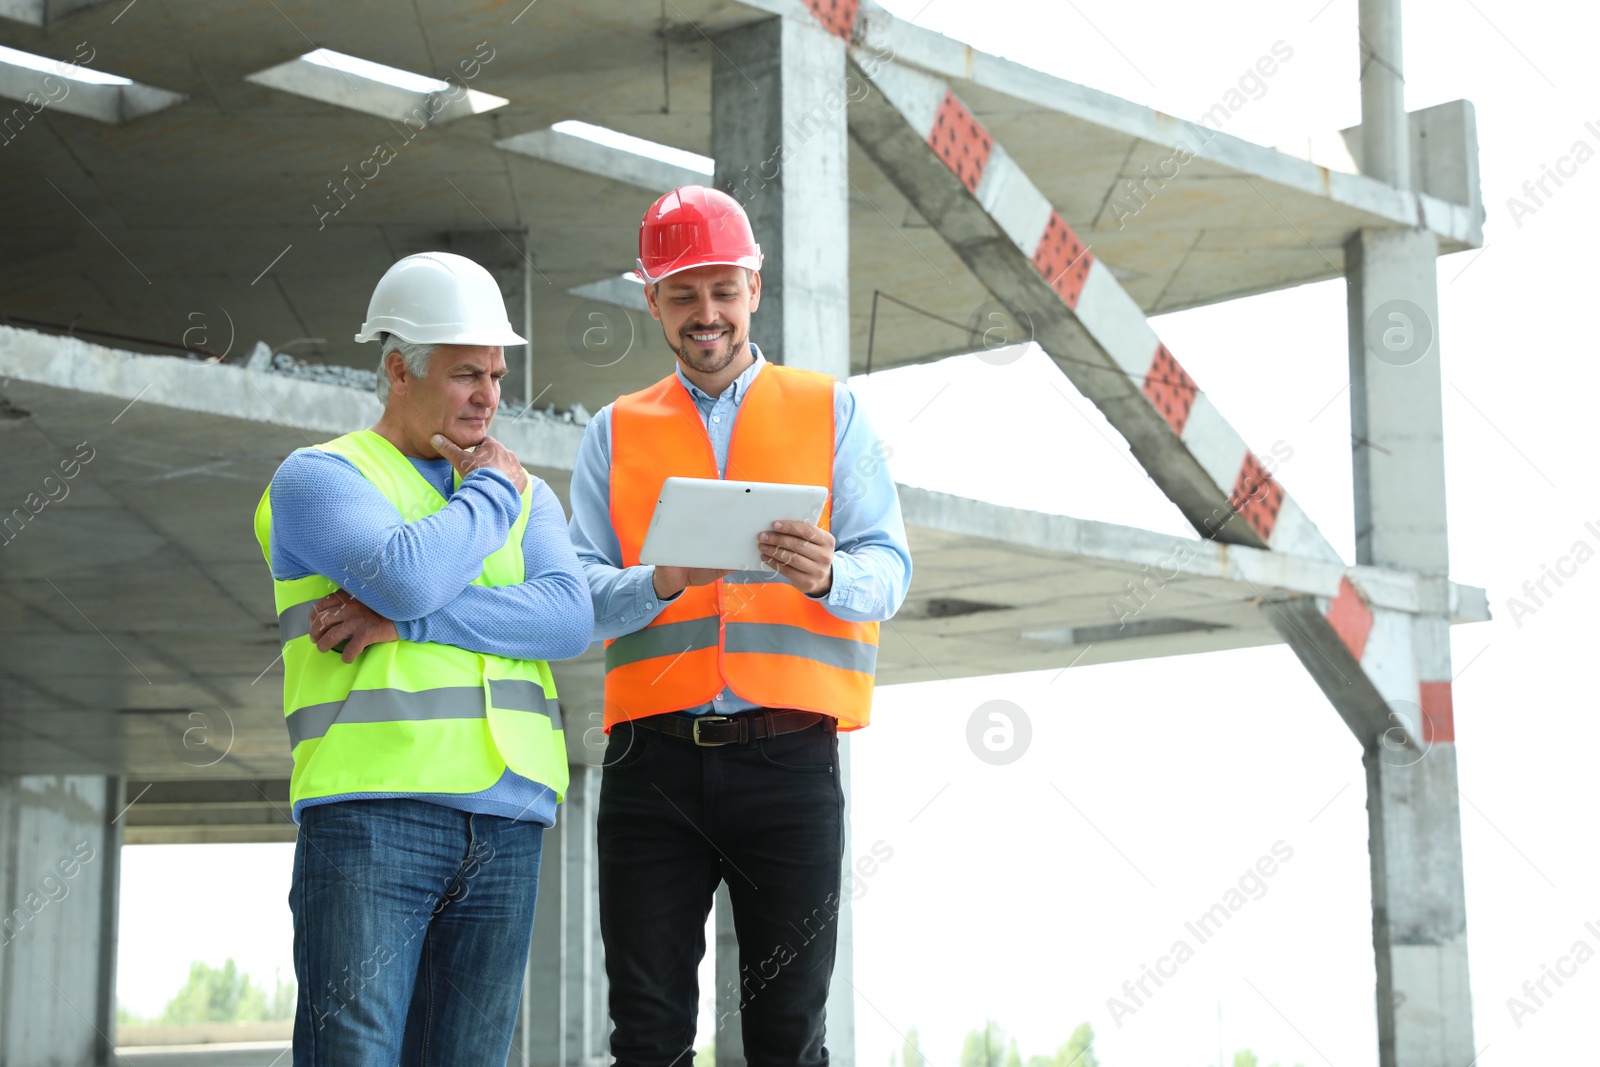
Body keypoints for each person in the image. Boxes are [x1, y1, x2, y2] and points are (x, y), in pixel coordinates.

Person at [567, 186, 912, 1067]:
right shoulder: (614, 432)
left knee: (787, 1038)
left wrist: (830, 572)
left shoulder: (830, 410)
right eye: (682, 293)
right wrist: (661, 580)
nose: (706, 313)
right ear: (652, 301)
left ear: (754, 288)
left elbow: (890, 570)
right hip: (653, 769)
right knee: (646, 1038)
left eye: (722, 289)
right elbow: (577, 592)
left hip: (789, 761)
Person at [253, 251, 593, 1066]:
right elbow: (404, 573)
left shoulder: (530, 494)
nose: (488, 397)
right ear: (399, 369)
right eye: (465, 373)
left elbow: (568, 619)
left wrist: (410, 627)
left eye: (498, 376)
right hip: (374, 814)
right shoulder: (320, 478)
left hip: (509, 818)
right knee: (356, 1055)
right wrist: (490, 493)